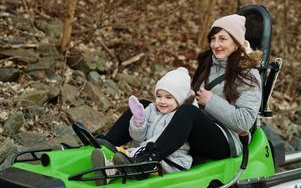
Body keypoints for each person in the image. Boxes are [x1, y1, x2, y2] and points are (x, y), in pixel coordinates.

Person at [97, 14, 262, 180]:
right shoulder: (209, 63)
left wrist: (211, 101)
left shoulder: (248, 74)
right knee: (145, 106)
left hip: (227, 140)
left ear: (236, 41)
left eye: (222, 39)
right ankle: (104, 144)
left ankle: (148, 160)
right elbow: (193, 99)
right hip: (199, 127)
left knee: (188, 112)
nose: (215, 44)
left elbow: (245, 121)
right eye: (213, 38)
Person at [92, 67, 196, 184]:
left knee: (127, 153)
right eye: (159, 96)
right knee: (123, 155)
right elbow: (137, 137)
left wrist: (137, 151)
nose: (162, 101)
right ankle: (107, 172)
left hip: (172, 162)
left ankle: (125, 166)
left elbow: (161, 141)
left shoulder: (180, 118)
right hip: (148, 153)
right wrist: (138, 121)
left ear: (180, 99)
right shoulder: (152, 110)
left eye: (168, 97)